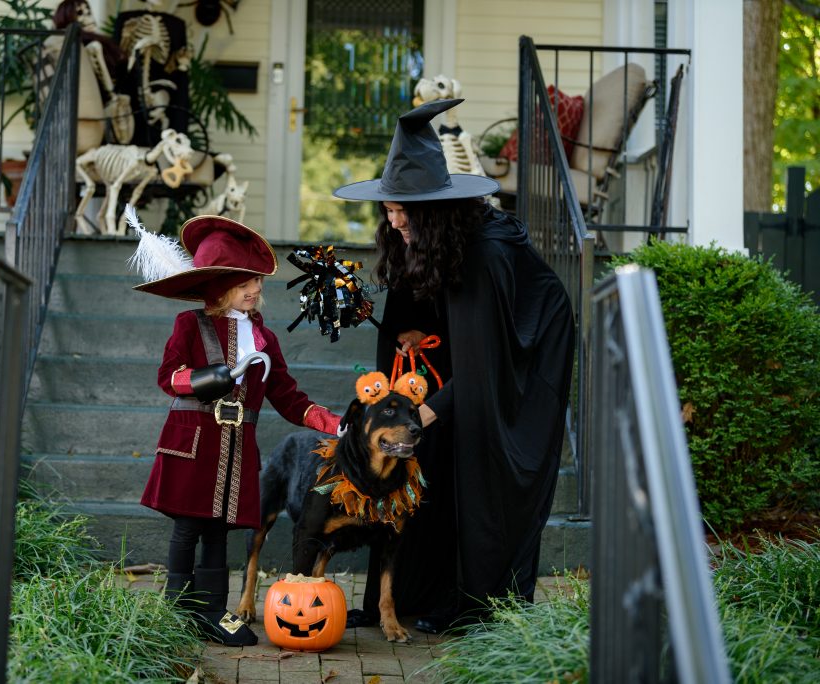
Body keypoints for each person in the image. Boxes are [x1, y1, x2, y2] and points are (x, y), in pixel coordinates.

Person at [333, 98, 576, 633]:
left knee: (473, 457)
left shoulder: (485, 255)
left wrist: (418, 416)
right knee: (426, 461)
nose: (395, 221)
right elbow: (426, 310)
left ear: (436, 210)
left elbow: (484, 364)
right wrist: (403, 333)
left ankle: (476, 603)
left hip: (524, 359)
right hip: (471, 353)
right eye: (389, 209)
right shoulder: (428, 242)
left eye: (405, 211)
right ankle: (407, 595)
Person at [130, 213, 343, 646]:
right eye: (246, 281)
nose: (256, 289)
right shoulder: (190, 325)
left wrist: (337, 423)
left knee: (218, 530)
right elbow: (168, 377)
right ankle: (177, 613)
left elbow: (287, 396)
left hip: (237, 444)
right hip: (193, 439)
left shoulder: (264, 336)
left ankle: (211, 613)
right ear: (219, 284)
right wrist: (218, 376)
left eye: (258, 281)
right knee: (188, 528)